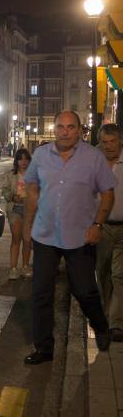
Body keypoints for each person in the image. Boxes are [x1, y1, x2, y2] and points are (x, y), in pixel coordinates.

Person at [23, 111, 116, 365]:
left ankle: (101, 326)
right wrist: (29, 221)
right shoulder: (41, 155)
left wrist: (98, 224)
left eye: (71, 127)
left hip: (80, 236)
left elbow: (108, 193)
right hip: (45, 234)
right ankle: (44, 348)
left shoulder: (93, 157)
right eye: (61, 127)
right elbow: (31, 186)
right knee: (41, 293)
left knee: (84, 290)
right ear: (55, 129)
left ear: (79, 130)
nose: (65, 131)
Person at [96, 124, 123, 342]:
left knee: (119, 274)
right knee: (103, 272)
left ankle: (116, 323)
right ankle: (105, 314)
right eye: (105, 142)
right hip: (101, 226)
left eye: (113, 141)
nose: (109, 146)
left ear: (120, 141)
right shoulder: (95, 163)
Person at [0, 148, 33, 280]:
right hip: (15, 209)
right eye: (20, 159)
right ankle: (13, 268)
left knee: (27, 240)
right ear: (16, 161)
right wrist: (12, 197)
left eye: (26, 159)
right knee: (16, 238)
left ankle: (25, 266)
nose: (23, 162)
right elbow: (5, 190)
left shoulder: (34, 175)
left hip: (30, 210)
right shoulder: (11, 175)